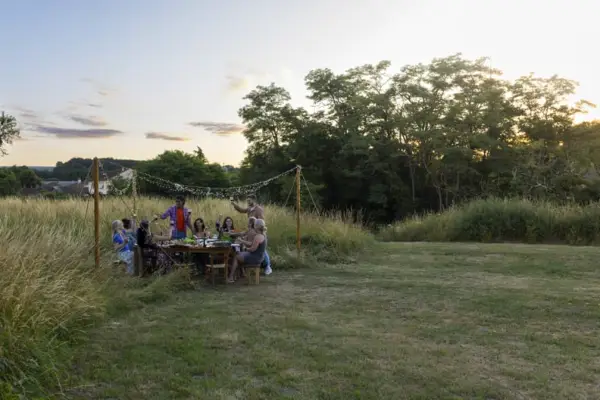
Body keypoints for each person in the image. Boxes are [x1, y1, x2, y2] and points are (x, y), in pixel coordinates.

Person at [231, 194, 271, 274]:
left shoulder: (258, 209)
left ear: (254, 200)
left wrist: (254, 221)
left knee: (262, 249)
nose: (248, 202)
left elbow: (262, 221)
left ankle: (267, 266)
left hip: (258, 231)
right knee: (255, 247)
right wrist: (233, 203)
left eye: (249, 200)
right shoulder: (249, 209)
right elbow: (241, 210)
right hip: (252, 230)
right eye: (247, 201)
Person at [228, 218, 268, 283]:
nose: (254, 226)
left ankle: (231, 277)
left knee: (236, 256)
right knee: (238, 254)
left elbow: (252, 249)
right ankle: (239, 274)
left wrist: (245, 249)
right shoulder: (263, 235)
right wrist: (242, 241)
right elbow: (252, 244)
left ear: (257, 226)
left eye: (255, 224)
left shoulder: (258, 236)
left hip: (255, 257)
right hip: (259, 256)